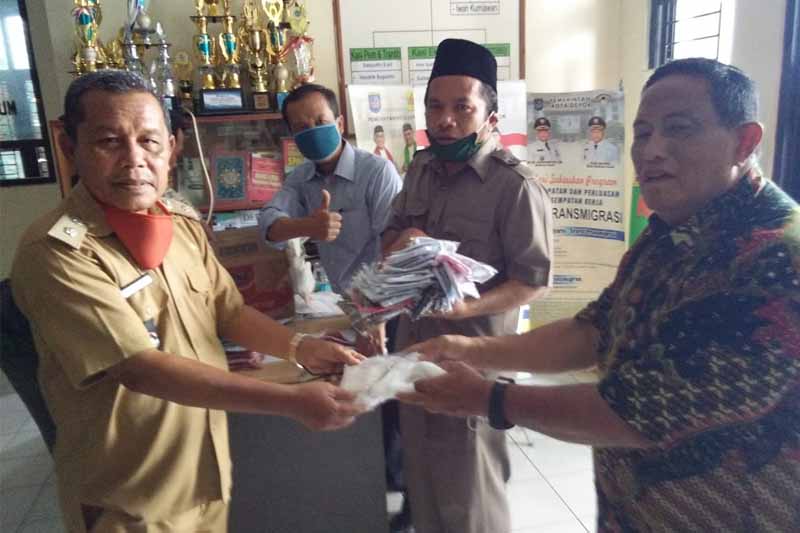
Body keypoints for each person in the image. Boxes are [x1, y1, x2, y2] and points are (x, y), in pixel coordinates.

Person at [399, 58, 800, 531]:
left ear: (744, 142)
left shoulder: (774, 258)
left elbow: (633, 412)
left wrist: (489, 397)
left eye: (680, 129)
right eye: (643, 133)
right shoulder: (672, 231)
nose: (652, 151)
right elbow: (595, 329)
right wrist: (467, 349)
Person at [10, 70, 365, 533]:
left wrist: (301, 348)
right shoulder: (57, 252)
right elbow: (139, 367)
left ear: (172, 148)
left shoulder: (178, 221)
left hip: (204, 474)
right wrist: (291, 401)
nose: (134, 160)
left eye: (149, 141)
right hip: (131, 498)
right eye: (109, 142)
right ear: (68, 146)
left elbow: (227, 309)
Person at [382, 38, 554, 533]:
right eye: (435, 107)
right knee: (422, 482)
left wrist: (465, 309)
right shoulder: (420, 169)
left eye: (462, 107)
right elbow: (389, 237)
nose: (445, 120)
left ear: (490, 116)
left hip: (474, 360)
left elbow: (533, 281)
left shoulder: (515, 187)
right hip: (413, 350)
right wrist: (402, 242)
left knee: (470, 492)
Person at [259, 84, 402, 295]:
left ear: (340, 124)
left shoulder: (377, 172)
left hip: (381, 296)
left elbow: (394, 242)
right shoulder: (300, 177)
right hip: (340, 298)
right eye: (302, 128)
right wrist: (306, 226)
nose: (313, 132)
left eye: (321, 122)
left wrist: (374, 302)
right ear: (293, 137)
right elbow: (268, 223)